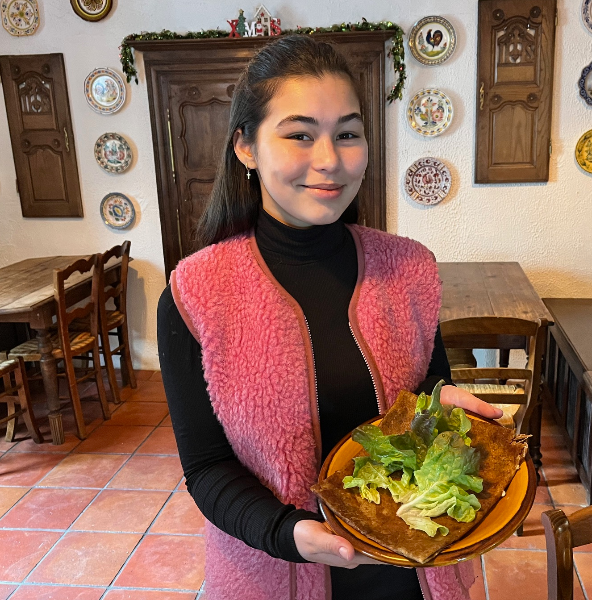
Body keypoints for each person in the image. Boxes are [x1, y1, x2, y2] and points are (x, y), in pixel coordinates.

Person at [157, 35, 502, 600]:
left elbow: (427, 389)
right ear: (245, 147)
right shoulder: (196, 294)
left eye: (348, 133)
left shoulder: (409, 268)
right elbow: (206, 468)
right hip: (276, 570)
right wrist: (288, 533)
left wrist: (443, 402)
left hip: (417, 572)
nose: (330, 160)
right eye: (299, 134)